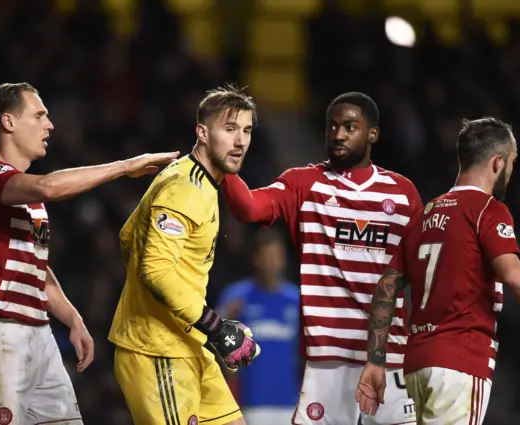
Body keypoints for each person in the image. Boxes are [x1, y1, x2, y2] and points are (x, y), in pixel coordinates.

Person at [220, 92, 421, 425]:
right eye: (332, 126)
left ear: (372, 134)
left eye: (350, 127)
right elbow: (249, 207)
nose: (338, 134)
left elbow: (416, 269)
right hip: (328, 359)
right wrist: (226, 165)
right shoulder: (304, 183)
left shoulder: (402, 194)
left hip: (388, 357)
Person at [0, 82, 179, 425]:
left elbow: (36, 267)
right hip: (3, 330)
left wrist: (72, 317)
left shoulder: (31, 197)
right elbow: (48, 185)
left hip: (40, 333)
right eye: (39, 115)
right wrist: (125, 166)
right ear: (8, 122)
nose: (50, 125)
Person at [108, 84, 261, 425]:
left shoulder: (201, 182)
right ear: (202, 132)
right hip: (157, 349)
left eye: (247, 130)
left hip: (187, 342)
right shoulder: (185, 187)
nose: (240, 141)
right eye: (230, 128)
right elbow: (156, 272)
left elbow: (128, 237)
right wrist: (215, 326)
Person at [356, 117, 520, 425]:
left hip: (418, 363)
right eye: (512, 163)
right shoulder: (488, 209)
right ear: (497, 162)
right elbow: (514, 277)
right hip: (461, 360)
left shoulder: (425, 215)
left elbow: (387, 286)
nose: (510, 172)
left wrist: (376, 361)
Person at [216, 228, 300, 425]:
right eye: (266, 257)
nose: (271, 263)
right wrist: (226, 315)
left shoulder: (296, 300)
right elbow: (211, 339)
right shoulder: (236, 298)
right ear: (256, 259)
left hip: (290, 403)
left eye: (276, 256)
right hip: (248, 404)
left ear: (283, 259)